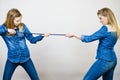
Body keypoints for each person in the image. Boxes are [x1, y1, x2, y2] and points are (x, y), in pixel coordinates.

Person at [65, 7, 120, 80]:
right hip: (113, 60)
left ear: (107, 17)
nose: (100, 21)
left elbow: (89, 38)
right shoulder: (116, 28)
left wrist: (74, 35)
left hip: (104, 60)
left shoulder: (105, 28)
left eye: (101, 18)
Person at [0, 8, 50, 80]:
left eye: (20, 20)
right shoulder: (4, 28)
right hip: (12, 59)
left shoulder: (22, 26)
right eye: (17, 20)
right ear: (10, 19)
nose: (19, 22)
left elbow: (32, 40)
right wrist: (7, 30)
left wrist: (42, 36)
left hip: (25, 58)